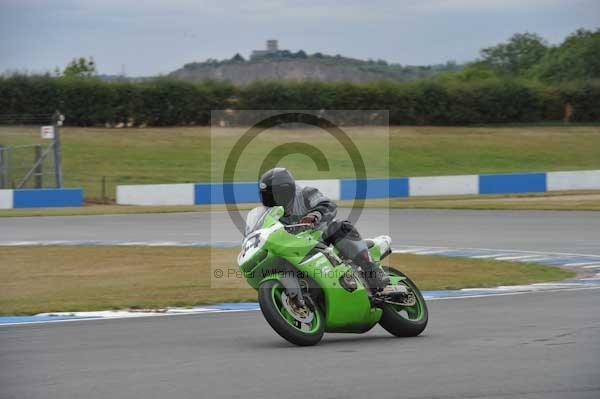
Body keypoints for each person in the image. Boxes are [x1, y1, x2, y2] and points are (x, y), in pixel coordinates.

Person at [258, 167, 390, 292]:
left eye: (272, 195)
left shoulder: (305, 194)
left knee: (338, 226)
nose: (270, 200)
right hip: (298, 247)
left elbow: (328, 204)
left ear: (284, 191)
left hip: (323, 239)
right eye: (266, 196)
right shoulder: (270, 214)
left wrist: (315, 215)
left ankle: (373, 270)